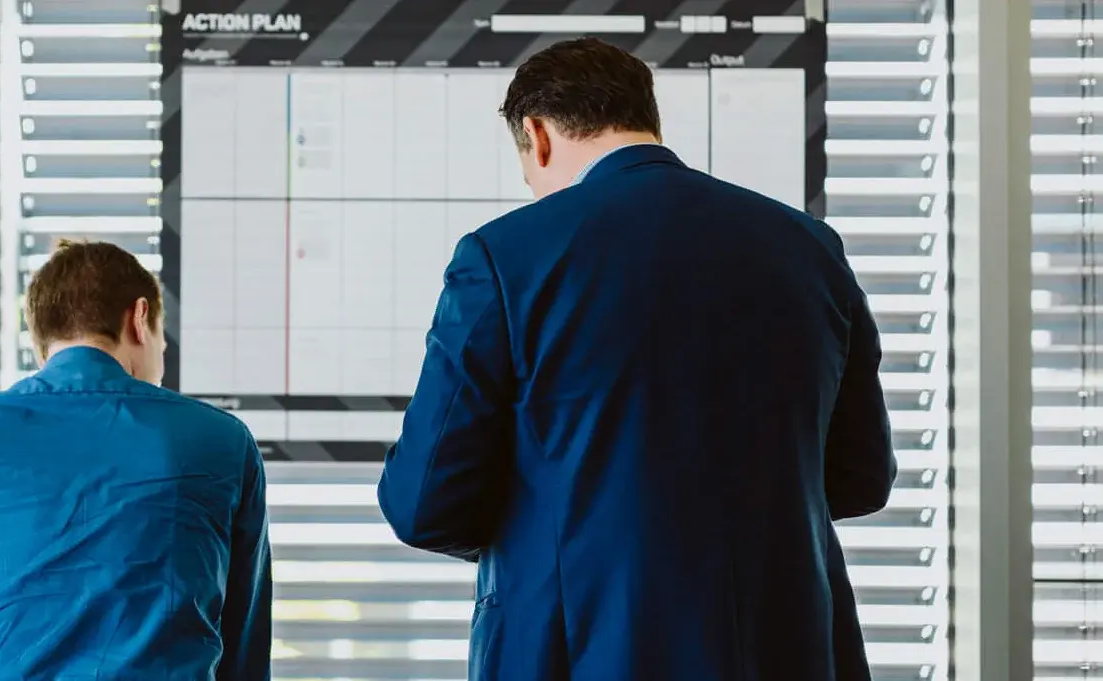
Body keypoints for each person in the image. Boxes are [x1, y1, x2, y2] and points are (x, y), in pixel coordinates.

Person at [377, 38, 896, 681]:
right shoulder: (808, 246)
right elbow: (860, 478)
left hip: (579, 649)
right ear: (646, 118)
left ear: (536, 135)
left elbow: (424, 502)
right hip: (785, 644)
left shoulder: (505, 256)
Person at [0, 240, 271, 680]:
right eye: (162, 345)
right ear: (139, 318)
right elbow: (243, 649)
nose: (162, 359)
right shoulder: (220, 440)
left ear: (42, 345)